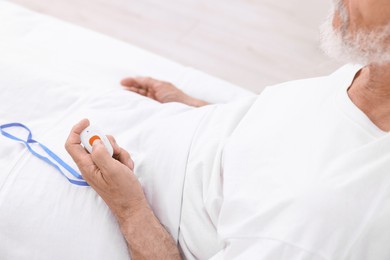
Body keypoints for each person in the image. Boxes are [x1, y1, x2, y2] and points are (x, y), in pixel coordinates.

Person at [65, 0, 390, 259]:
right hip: (177, 135)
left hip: (148, 207)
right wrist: (199, 107)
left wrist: (129, 207)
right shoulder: (371, 69)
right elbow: (291, 145)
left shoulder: (323, 222)